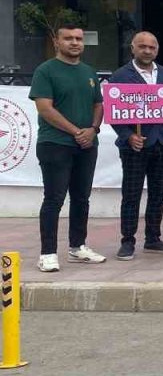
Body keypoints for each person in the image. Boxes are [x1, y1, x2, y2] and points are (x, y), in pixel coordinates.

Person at [29, 23, 106, 272]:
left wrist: (92, 129)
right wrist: (76, 131)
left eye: (79, 39)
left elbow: (98, 105)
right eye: (69, 38)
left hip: (87, 144)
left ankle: (77, 246)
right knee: (54, 199)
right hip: (55, 144)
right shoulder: (45, 70)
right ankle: (48, 253)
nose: (74, 43)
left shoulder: (89, 72)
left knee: (82, 198)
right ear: (57, 42)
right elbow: (45, 108)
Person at [107, 31, 163, 261]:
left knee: (159, 193)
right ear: (133, 48)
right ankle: (127, 241)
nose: (147, 51)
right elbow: (114, 111)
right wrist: (128, 135)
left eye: (152, 47)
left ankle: (153, 238)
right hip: (134, 146)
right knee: (131, 194)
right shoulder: (120, 76)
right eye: (142, 46)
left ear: (157, 50)